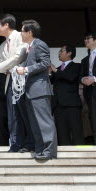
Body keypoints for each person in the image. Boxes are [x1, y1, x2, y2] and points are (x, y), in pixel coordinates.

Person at [16, 20, 57, 160]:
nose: (20, 33)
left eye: (22, 30)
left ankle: (49, 151)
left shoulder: (40, 45)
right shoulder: (29, 47)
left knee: (44, 122)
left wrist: (26, 69)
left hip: (39, 90)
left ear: (29, 32)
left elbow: (45, 63)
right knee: (35, 123)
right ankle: (40, 149)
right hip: (31, 91)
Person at [0, 13, 33, 152]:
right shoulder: (3, 45)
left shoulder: (20, 36)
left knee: (24, 112)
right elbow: (4, 66)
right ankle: (16, 143)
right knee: (12, 113)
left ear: (6, 25)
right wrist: (3, 68)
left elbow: (19, 56)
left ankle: (29, 142)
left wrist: (2, 67)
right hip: (10, 81)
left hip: (23, 80)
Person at [50, 45, 84, 145]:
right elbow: (50, 83)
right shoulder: (57, 69)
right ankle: (65, 158)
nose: (59, 52)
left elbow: (71, 78)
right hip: (58, 106)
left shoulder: (77, 66)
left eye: (62, 50)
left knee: (76, 132)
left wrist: (56, 71)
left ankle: (82, 157)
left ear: (69, 53)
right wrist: (49, 73)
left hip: (72, 105)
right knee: (62, 134)